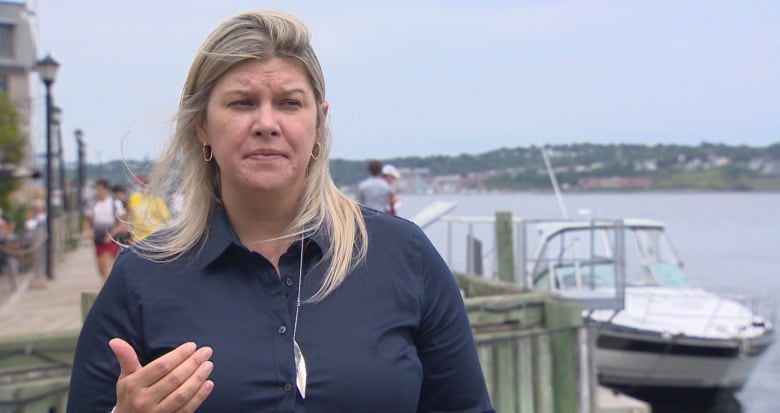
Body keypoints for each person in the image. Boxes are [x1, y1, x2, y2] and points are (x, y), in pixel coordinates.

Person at [67, 10, 494, 413]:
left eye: (289, 103)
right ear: (202, 126)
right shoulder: (143, 276)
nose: (266, 123)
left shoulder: (402, 255)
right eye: (241, 103)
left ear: (319, 124)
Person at [82, 178, 127, 280]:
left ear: (106, 190)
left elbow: (122, 223)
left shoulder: (115, 204)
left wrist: (110, 235)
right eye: (97, 189)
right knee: (101, 268)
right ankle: (107, 284)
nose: (99, 192)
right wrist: (87, 230)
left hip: (112, 238)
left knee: (106, 262)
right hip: (98, 238)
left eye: (101, 189)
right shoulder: (92, 204)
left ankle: (107, 290)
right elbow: (87, 220)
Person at [127, 175, 171, 243]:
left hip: (153, 239)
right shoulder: (134, 198)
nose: (143, 189)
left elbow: (166, 220)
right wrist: (130, 231)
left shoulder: (158, 201)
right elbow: (130, 215)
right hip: (136, 239)